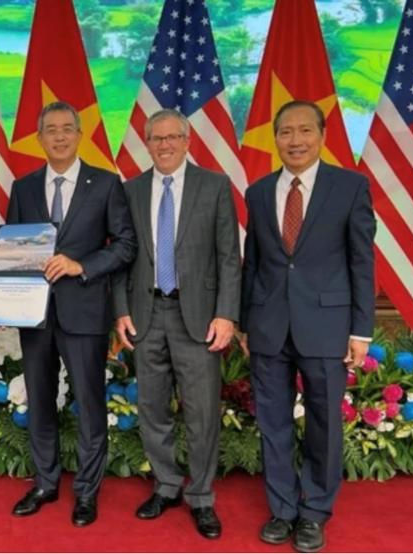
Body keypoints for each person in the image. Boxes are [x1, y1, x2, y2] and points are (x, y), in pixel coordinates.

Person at [240, 100, 375, 553]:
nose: (295, 140)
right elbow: (253, 262)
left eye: (304, 131)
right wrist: (245, 322)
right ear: (275, 138)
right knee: (273, 423)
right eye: (286, 132)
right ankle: (282, 510)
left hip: (327, 327)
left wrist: (361, 331)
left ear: (322, 135)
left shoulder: (350, 187)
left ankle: (314, 512)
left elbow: (362, 261)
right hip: (268, 327)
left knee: (324, 424)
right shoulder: (258, 192)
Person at [6, 101, 136, 527]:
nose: (59, 136)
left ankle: (87, 492)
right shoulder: (23, 188)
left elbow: (125, 245)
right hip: (35, 314)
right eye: (51, 130)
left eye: (67, 129)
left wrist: (83, 265)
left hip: (84, 310)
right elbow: (13, 250)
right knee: (40, 399)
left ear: (80, 135)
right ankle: (45, 483)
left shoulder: (106, 183)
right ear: (39, 138)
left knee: (89, 403)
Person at [112, 109, 240, 539]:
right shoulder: (130, 190)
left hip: (199, 317)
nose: (164, 145)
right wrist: (120, 309)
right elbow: (122, 256)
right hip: (146, 314)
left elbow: (229, 257)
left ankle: (201, 497)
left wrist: (226, 314)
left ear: (187, 141)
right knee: (152, 408)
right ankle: (166, 486)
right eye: (156, 138)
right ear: (147, 144)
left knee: (202, 412)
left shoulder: (215, 185)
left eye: (172, 137)